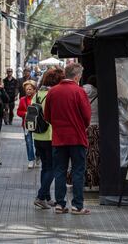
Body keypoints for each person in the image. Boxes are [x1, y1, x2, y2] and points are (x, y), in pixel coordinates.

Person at [44, 63, 91, 214]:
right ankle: (77, 206)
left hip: (59, 138)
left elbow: (47, 116)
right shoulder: (79, 91)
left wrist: (58, 126)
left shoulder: (53, 92)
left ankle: (60, 204)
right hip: (77, 138)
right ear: (76, 76)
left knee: (59, 171)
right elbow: (87, 117)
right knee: (78, 171)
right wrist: (79, 125)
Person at [32, 68, 65, 209]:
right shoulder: (54, 94)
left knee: (45, 167)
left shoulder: (38, 94)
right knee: (51, 167)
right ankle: (40, 197)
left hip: (37, 135)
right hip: (50, 136)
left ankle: (46, 197)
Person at [82, 75, 99, 189]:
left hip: (84, 128)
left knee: (85, 155)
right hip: (96, 128)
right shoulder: (98, 95)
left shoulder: (81, 93)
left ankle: (85, 180)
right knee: (95, 155)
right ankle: (95, 181)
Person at [17, 80, 37, 169]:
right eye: (26, 89)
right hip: (27, 124)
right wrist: (24, 113)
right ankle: (31, 160)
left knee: (38, 143)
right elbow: (18, 112)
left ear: (34, 90)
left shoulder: (38, 99)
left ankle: (38, 157)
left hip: (37, 124)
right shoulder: (22, 100)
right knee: (29, 142)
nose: (28, 91)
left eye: (30, 89)